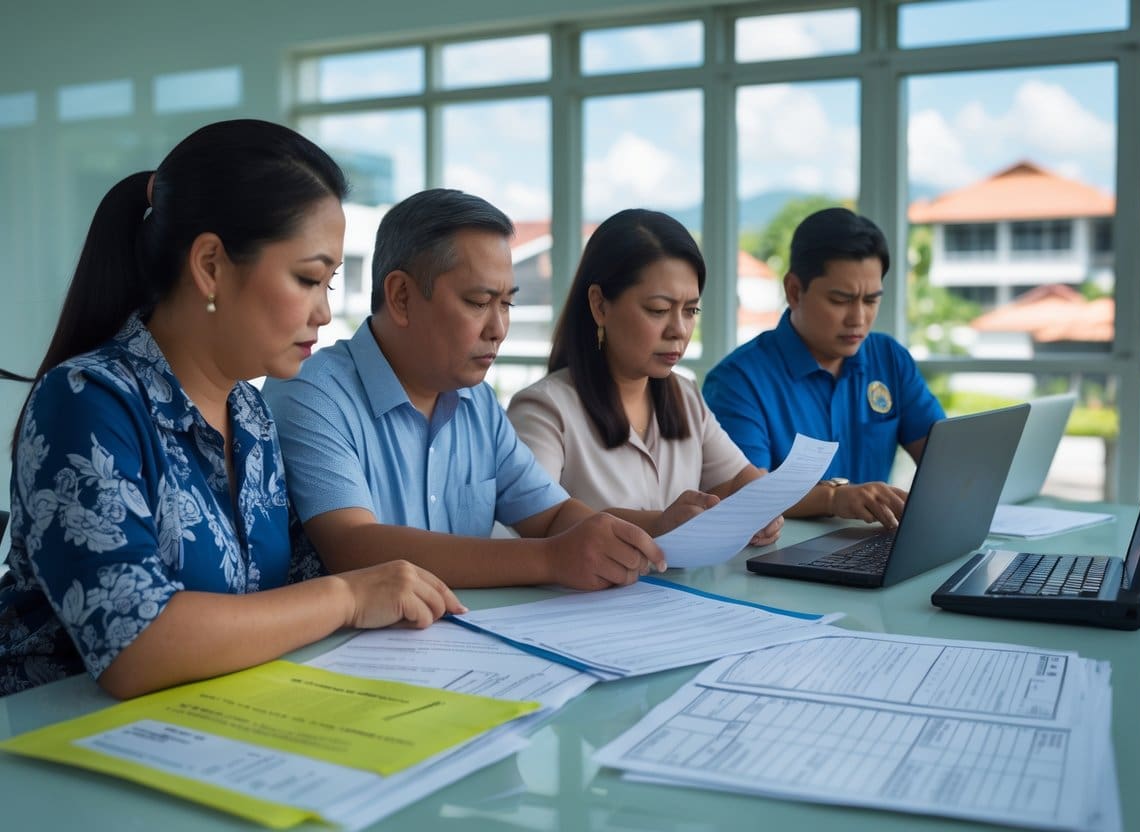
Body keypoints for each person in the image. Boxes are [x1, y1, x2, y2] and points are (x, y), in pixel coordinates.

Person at [0, 120, 463, 699]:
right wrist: (347, 597)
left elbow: (293, 586)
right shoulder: (87, 402)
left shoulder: (250, 414)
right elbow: (134, 647)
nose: (325, 312)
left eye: (331, 282)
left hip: (211, 727)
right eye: (308, 278)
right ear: (211, 266)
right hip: (49, 749)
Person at [261, 189, 665, 592]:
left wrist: (657, 531)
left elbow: (552, 516)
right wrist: (551, 557)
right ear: (401, 296)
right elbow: (353, 546)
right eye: (478, 302)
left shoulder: (477, 402)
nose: (499, 329)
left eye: (506, 304)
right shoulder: (311, 393)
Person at [506, 209, 781, 546]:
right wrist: (660, 524)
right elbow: (539, 520)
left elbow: (737, 479)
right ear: (600, 306)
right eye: (658, 310)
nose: (679, 330)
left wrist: (762, 505)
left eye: (691, 310)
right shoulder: (544, 408)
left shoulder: (685, 394)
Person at [703, 207, 945, 530]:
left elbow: (943, 459)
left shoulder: (889, 359)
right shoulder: (737, 382)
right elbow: (747, 494)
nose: (858, 318)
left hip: (873, 549)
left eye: (871, 300)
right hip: (778, 560)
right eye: (841, 300)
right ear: (794, 291)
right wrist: (835, 498)